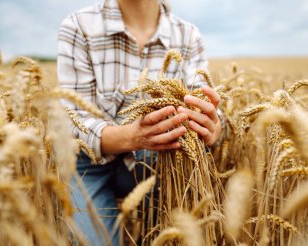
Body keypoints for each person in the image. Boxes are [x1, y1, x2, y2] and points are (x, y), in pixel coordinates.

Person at [57, 0, 223, 245]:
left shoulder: (188, 36)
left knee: (181, 235)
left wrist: (213, 126)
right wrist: (132, 137)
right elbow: (71, 121)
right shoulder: (78, 26)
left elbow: (206, 105)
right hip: (90, 163)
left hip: (162, 162)